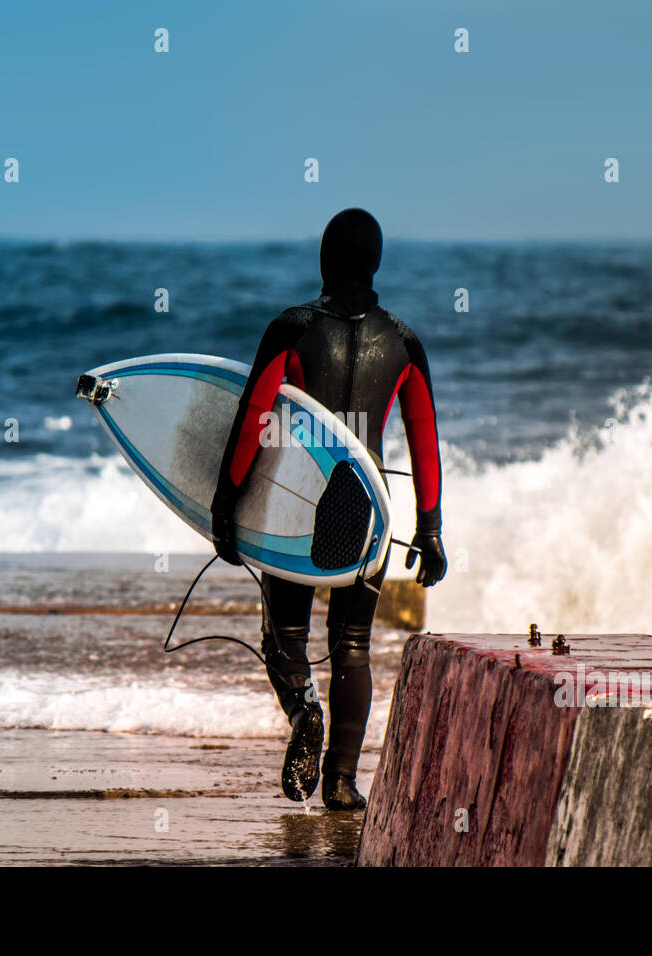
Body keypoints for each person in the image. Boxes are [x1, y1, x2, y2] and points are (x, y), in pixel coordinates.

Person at [210, 208, 447, 810]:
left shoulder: (291, 329)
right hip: (367, 509)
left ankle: (304, 712)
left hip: (301, 505)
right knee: (354, 644)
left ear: (323, 259)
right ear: (375, 264)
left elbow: (254, 421)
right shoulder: (404, 342)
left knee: (283, 633)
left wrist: (226, 502)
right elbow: (425, 440)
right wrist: (432, 528)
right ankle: (342, 782)